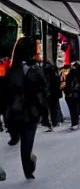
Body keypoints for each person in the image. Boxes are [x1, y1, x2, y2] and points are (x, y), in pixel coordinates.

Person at [5, 37, 48, 180]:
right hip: (31, 111)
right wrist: (44, 113)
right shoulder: (35, 69)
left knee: (25, 139)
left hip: (16, 110)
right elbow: (42, 90)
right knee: (27, 141)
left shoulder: (12, 70)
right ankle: (28, 168)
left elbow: (7, 92)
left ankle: (28, 166)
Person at [65, 62, 80, 130]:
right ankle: (78, 121)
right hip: (74, 95)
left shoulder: (77, 74)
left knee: (75, 109)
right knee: (76, 108)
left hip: (74, 94)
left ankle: (77, 122)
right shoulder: (76, 74)